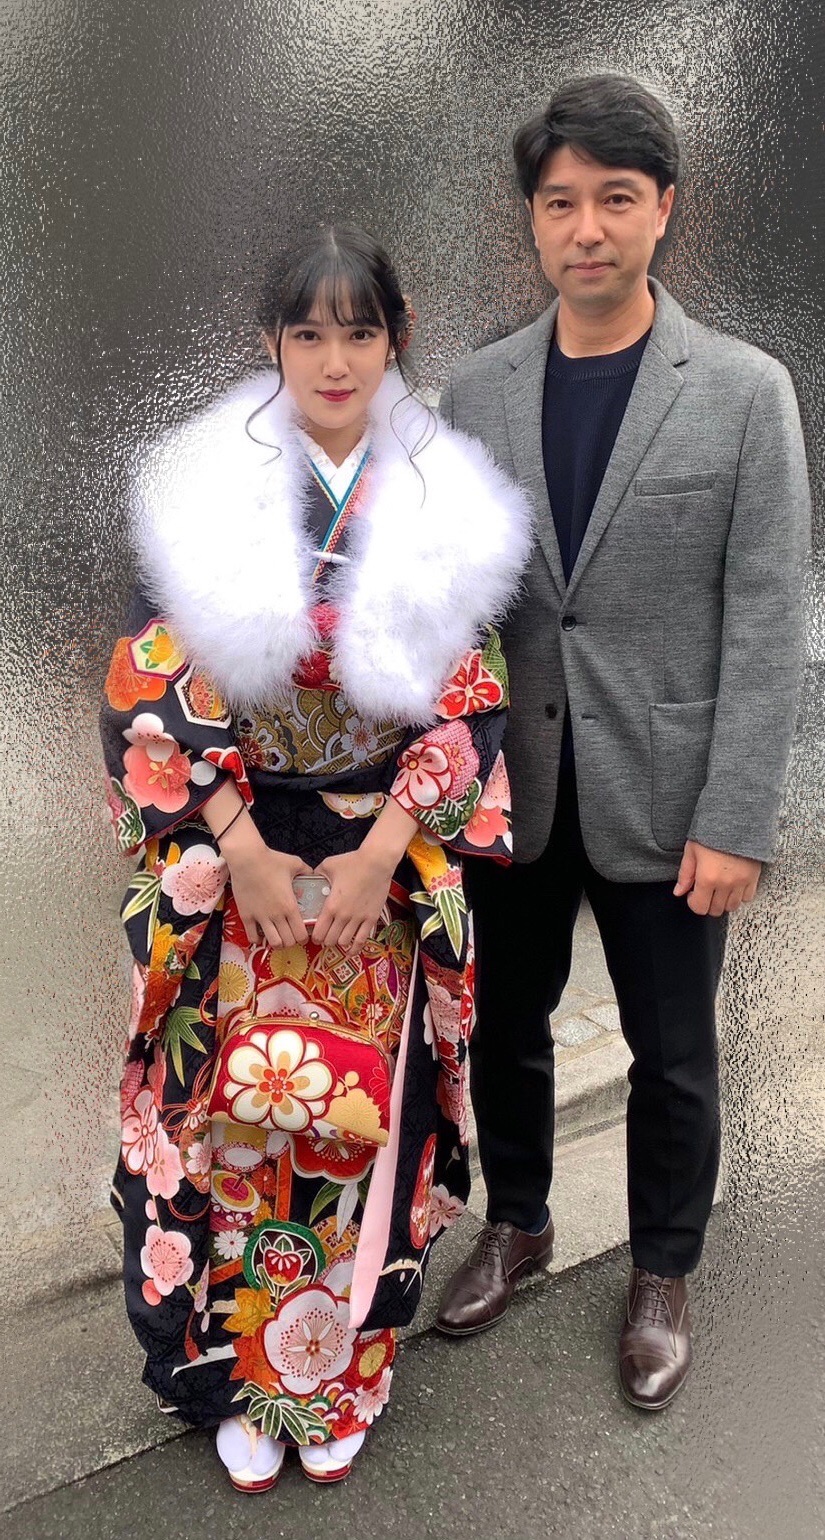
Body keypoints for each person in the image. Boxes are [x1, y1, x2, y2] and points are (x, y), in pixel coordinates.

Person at [100, 224, 532, 1490]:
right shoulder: (205, 489)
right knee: (235, 1116)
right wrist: (235, 845)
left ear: (398, 338)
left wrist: (386, 846)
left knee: (359, 1119)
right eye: (307, 333)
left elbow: (472, 697)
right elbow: (147, 678)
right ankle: (243, 1372)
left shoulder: (446, 495)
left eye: (359, 331)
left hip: (373, 870)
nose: (334, 359)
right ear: (271, 341)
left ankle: (340, 1374)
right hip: (239, 852)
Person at [435, 75, 810, 1410]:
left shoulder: (747, 393)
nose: (585, 228)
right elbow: (447, 600)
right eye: (559, 203)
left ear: (664, 210)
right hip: (516, 792)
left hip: (671, 793)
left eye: (614, 198)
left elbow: (767, 622)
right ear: (532, 221)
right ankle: (519, 1222)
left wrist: (738, 818)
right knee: (507, 1031)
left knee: (673, 1052)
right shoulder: (475, 391)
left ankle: (661, 1266)